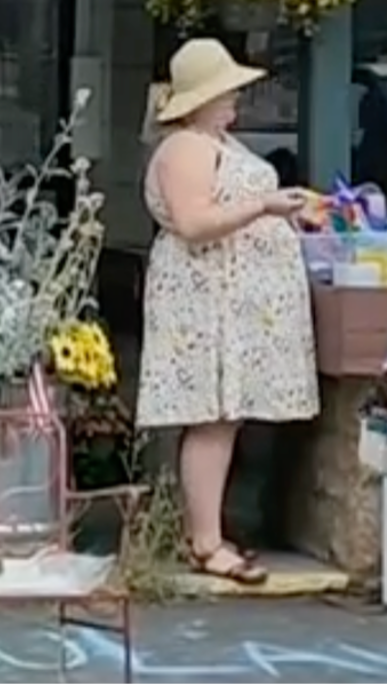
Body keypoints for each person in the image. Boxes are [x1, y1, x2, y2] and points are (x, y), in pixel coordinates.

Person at [135, 37, 318, 586]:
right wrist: (264, 205)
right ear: (201, 99)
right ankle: (206, 542)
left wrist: (286, 211)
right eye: (227, 90)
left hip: (228, 300)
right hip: (207, 300)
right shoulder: (186, 147)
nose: (236, 98)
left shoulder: (215, 142)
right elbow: (194, 222)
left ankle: (206, 533)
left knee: (223, 417)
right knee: (212, 417)